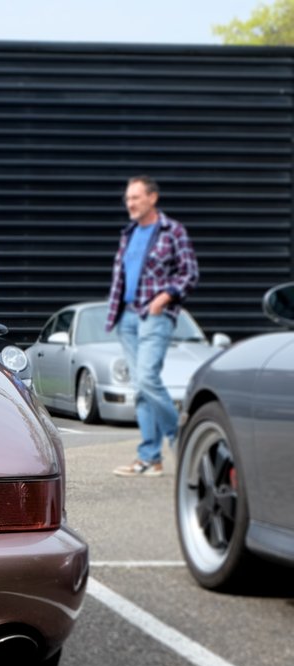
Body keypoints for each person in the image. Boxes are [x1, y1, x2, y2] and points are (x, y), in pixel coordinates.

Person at [106, 176, 199, 477]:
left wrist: (162, 299)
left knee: (147, 379)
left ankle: (183, 441)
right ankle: (149, 458)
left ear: (152, 198)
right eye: (128, 198)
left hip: (155, 316)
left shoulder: (173, 231)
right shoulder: (128, 233)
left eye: (135, 197)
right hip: (127, 318)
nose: (130, 203)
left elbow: (189, 273)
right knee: (141, 389)